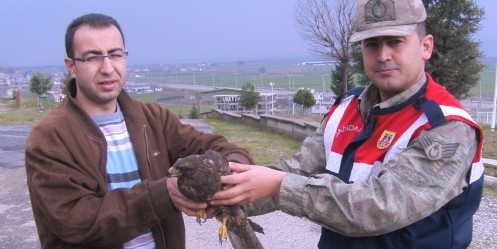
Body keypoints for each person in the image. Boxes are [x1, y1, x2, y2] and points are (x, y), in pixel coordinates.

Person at [210, 0, 485, 248]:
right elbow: (298, 169)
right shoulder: (346, 109)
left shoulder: (447, 127)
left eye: (395, 41)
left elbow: (381, 206)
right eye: (372, 44)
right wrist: (214, 194)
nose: (383, 55)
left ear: (426, 47)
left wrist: (279, 186)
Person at [25, 13, 254, 249]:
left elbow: (219, 148)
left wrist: (231, 174)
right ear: (71, 66)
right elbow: (75, 221)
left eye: (115, 54)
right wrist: (161, 196)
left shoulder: (154, 118)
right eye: (92, 58)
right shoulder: (50, 138)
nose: (107, 68)